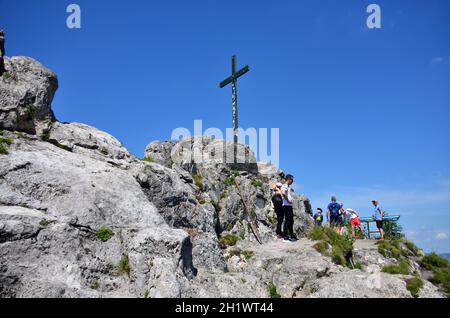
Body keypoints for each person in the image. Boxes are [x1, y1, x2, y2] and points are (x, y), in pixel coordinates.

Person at [281, 174, 297, 242]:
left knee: (291, 221)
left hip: (288, 205)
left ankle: (291, 235)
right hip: (286, 205)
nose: (293, 181)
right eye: (292, 180)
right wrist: (288, 200)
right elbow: (283, 193)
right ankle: (285, 237)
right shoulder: (284, 186)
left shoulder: (287, 186)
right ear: (289, 179)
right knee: (287, 221)